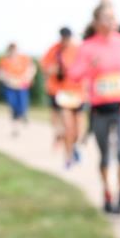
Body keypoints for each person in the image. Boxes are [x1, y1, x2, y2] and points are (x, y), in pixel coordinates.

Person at [68, 0, 120, 214]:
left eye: (114, 17)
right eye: (107, 17)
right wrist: (88, 66)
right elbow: (74, 75)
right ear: (97, 22)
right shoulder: (88, 46)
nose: (112, 21)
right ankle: (108, 191)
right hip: (100, 108)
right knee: (104, 155)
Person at [41, 27, 85, 168]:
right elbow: (45, 67)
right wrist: (52, 70)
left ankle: (74, 146)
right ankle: (68, 156)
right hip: (61, 93)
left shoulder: (78, 49)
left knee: (77, 129)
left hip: (77, 92)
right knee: (68, 126)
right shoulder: (54, 50)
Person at [0, 43, 36, 136]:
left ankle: (23, 116)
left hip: (22, 86)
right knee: (13, 106)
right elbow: (0, 73)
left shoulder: (24, 58)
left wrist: (27, 76)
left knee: (22, 105)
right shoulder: (5, 61)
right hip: (10, 86)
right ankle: (15, 128)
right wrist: (7, 78)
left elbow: (32, 68)